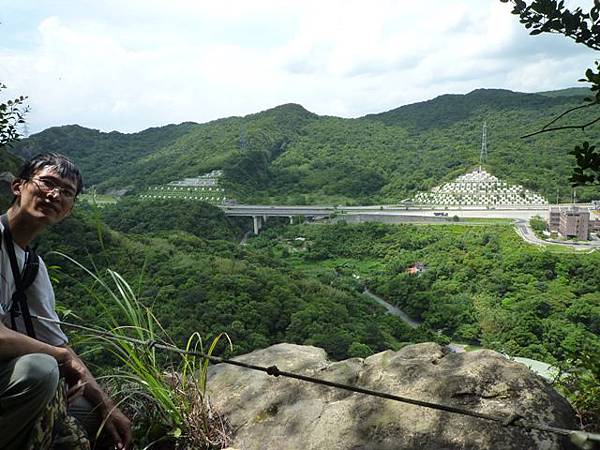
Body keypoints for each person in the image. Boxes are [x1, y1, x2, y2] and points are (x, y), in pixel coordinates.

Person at [0, 153, 132, 449]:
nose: (54, 194)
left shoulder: (33, 266)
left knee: (95, 419)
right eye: (47, 182)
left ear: (69, 210)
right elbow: (57, 354)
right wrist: (60, 360)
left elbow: (59, 344)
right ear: (18, 186)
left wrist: (106, 404)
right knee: (41, 369)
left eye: (66, 192)